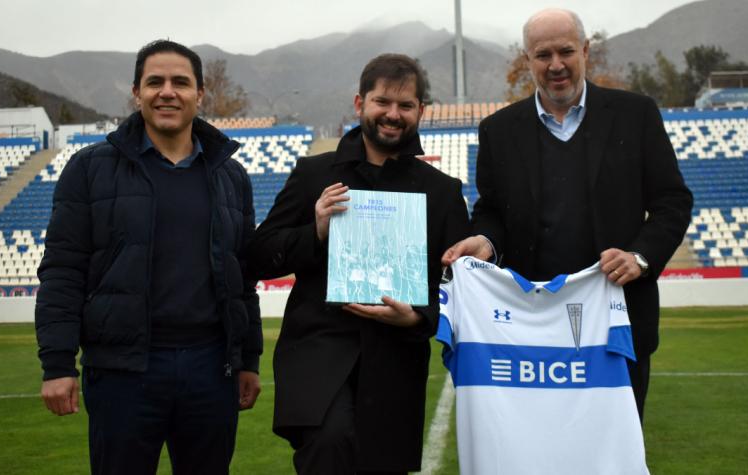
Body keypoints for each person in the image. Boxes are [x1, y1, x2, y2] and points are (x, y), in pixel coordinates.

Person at [442, 8, 693, 421]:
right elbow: (491, 210)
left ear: (585, 51)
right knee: (536, 452)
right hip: (530, 328)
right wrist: (484, 241)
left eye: (565, 51)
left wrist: (640, 257)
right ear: (527, 60)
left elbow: (672, 201)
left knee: (612, 454)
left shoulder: (636, 114)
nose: (555, 65)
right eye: (543, 55)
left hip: (618, 324)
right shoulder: (498, 130)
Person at [35, 39, 262, 474]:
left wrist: (247, 360)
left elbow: (242, 277)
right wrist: (57, 364)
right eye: (154, 82)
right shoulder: (89, 169)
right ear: (136, 93)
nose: (167, 91)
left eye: (181, 82)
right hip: (123, 371)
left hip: (211, 369)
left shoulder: (231, 175)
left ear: (200, 93)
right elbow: (63, 271)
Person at [248, 54, 470, 474]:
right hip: (318, 356)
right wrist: (313, 230)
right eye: (382, 101)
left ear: (421, 111)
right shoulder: (314, 175)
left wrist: (418, 318)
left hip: (394, 366)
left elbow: (458, 285)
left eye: (406, 105)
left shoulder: (441, 192)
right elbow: (258, 257)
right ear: (359, 103)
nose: (393, 114)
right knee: (330, 443)